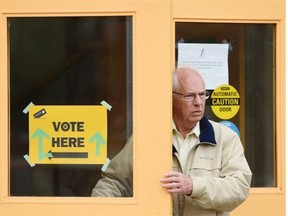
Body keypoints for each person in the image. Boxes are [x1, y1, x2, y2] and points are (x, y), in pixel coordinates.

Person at [91, 67, 252, 216]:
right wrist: (99, 210)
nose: (198, 102)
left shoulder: (225, 138)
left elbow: (239, 187)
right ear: (171, 98)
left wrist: (193, 186)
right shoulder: (150, 137)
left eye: (202, 94)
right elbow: (115, 181)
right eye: (189, 96)